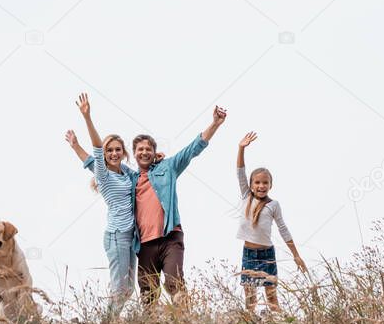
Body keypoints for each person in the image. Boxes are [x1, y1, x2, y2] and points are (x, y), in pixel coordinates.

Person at [130, 105, 227, 305]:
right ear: (134, 154)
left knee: (175, 283)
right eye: (140, 149)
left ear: (155, 152)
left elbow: (192, 149)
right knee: (148, 293)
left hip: (170, 237)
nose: (145, 152)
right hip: (145, 244)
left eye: (149, 149)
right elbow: (107, 169)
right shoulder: (130, 179)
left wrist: (215, 124)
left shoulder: (168, 167)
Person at [66, 93, 137, 311]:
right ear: (105, 154)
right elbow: (95, 154)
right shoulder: (104, 175)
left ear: (123, 152)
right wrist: (87, 117)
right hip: (117, 235)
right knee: (119, 289)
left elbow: (88, 160)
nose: (114, 153)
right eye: (109, 150)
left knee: (129, 289)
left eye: (117, 149)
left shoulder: (126, 171)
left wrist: (75, 146)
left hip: (131, 235)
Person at [236, 131, 307, 312]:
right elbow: (240, 171)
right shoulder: (246, 196)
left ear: (270, 185)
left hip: (267, 255)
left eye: (265, 183)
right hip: (249, 254)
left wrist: (296, 255)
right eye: (257, 182)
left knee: (271, 297)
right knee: (250, 298)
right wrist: (241, 148)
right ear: (251, 185)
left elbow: (283, 229)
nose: (261, 186)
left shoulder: (273, 205)